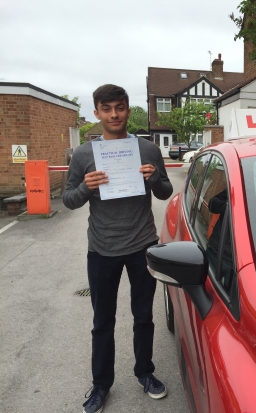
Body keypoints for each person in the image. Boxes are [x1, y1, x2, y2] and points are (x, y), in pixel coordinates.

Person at [63, 84, 173, 413]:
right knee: (103, 322)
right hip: (102, 249)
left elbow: (165, 191)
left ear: (128, 110)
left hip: (142, 245)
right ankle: (101, 385)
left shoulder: (147, 150)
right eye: (107, 109)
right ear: (96, 113)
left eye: (120, 107)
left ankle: (145, 373)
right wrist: (86, 186)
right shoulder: (84, 154)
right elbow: (68, 200)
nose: (114, 114)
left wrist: (154, 179)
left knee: (144, 317)